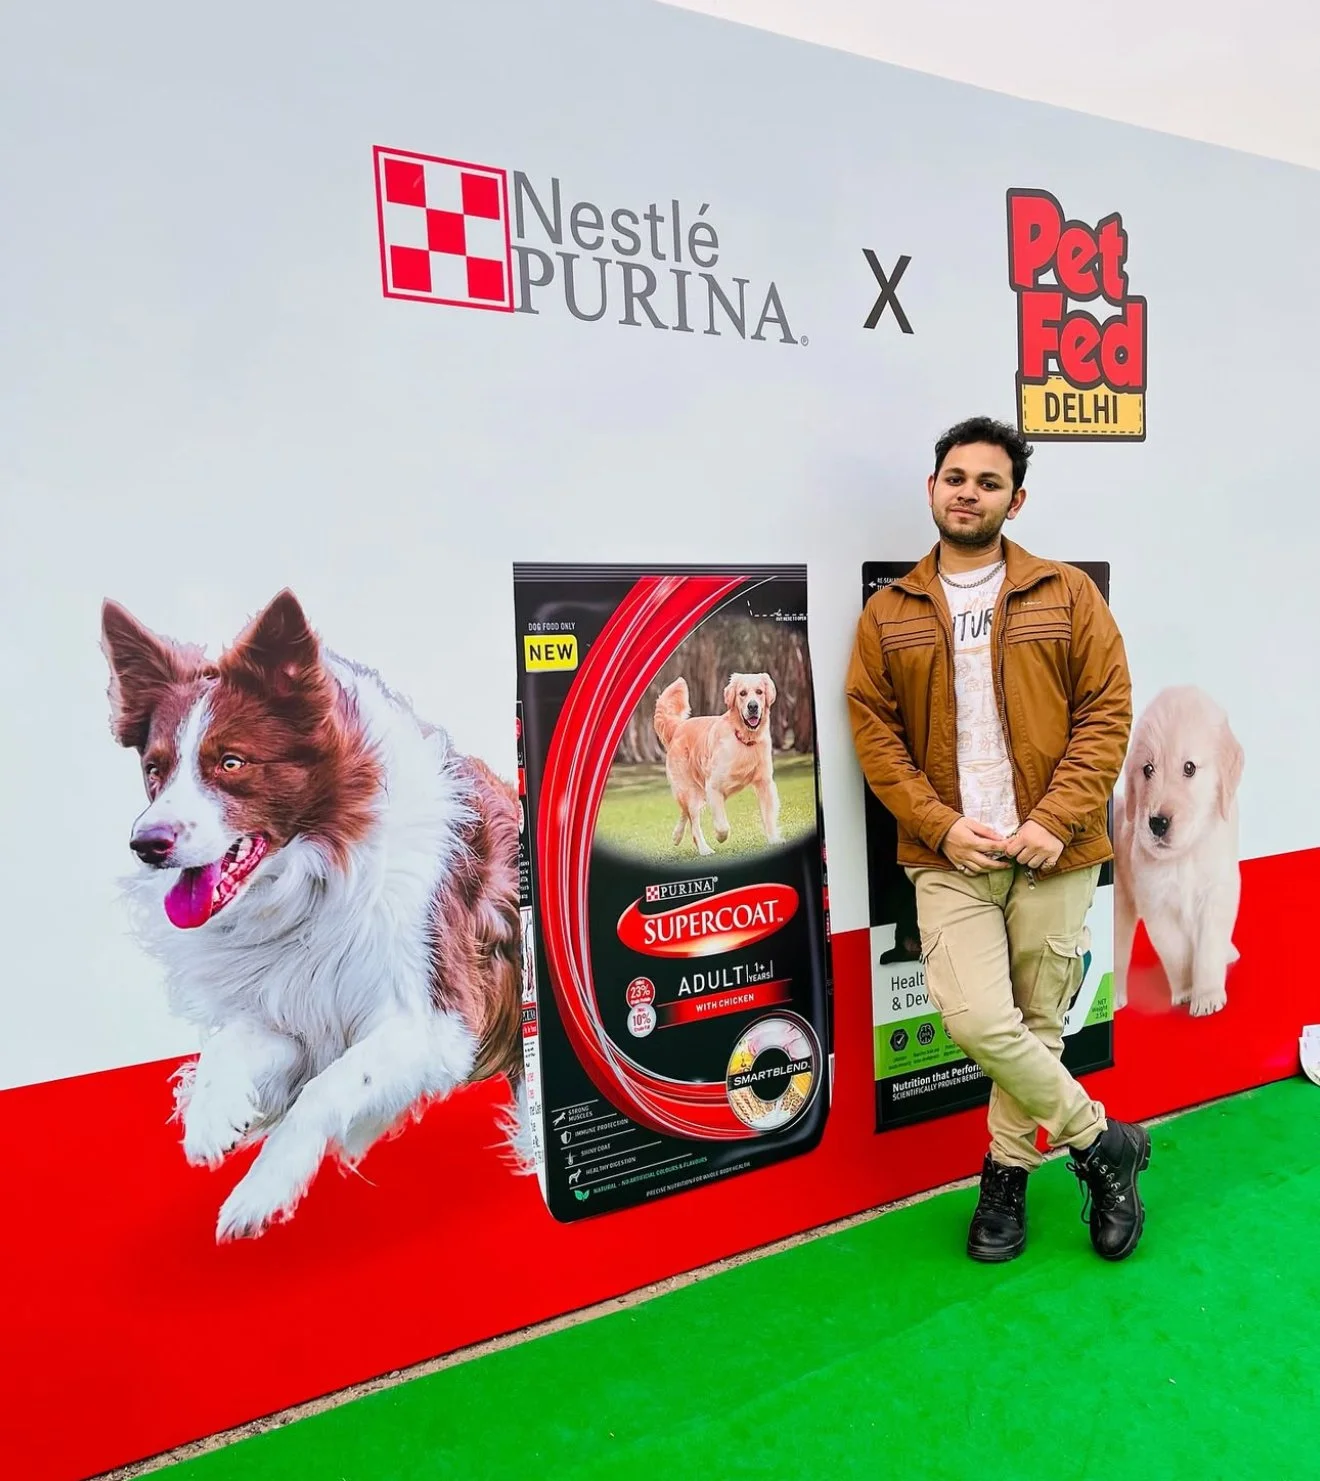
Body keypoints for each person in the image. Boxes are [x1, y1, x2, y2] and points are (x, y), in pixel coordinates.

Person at [845, 415, 1150, 1263]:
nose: (968, 492)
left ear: (1015, 499)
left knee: (1041, 1022)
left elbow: (1107, 712)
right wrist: (940, 824)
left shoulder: (1066, 593)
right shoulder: (890, 611)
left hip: (1053, 849)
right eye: (955, 477)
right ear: (933, 488)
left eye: (987, 482)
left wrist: (1054, 819)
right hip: (949, 856)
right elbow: (876, 733)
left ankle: (1005, 1178)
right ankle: (1103, 1143)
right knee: (981, 1017)